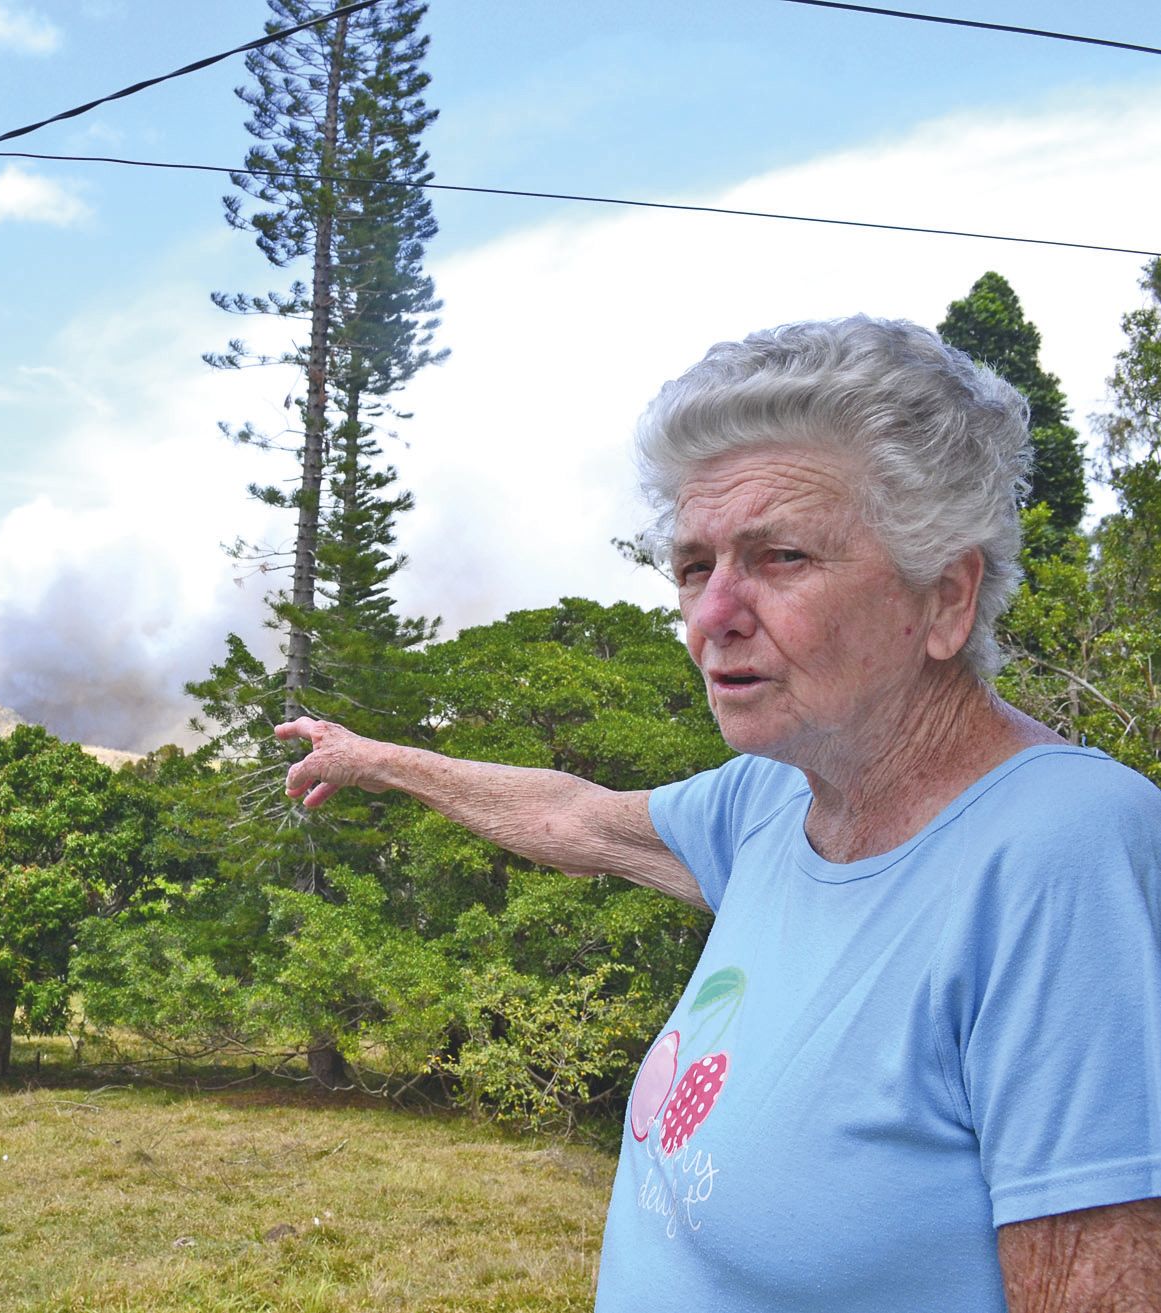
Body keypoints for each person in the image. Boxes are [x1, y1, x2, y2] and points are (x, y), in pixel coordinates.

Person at [277, 316, 1161, 1311]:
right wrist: (376, 760)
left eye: (779, 556)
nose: (711, 615)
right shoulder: (776, 798)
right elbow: (581, 819)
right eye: (695, 567)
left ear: (946, 597)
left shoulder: (1059, 852)